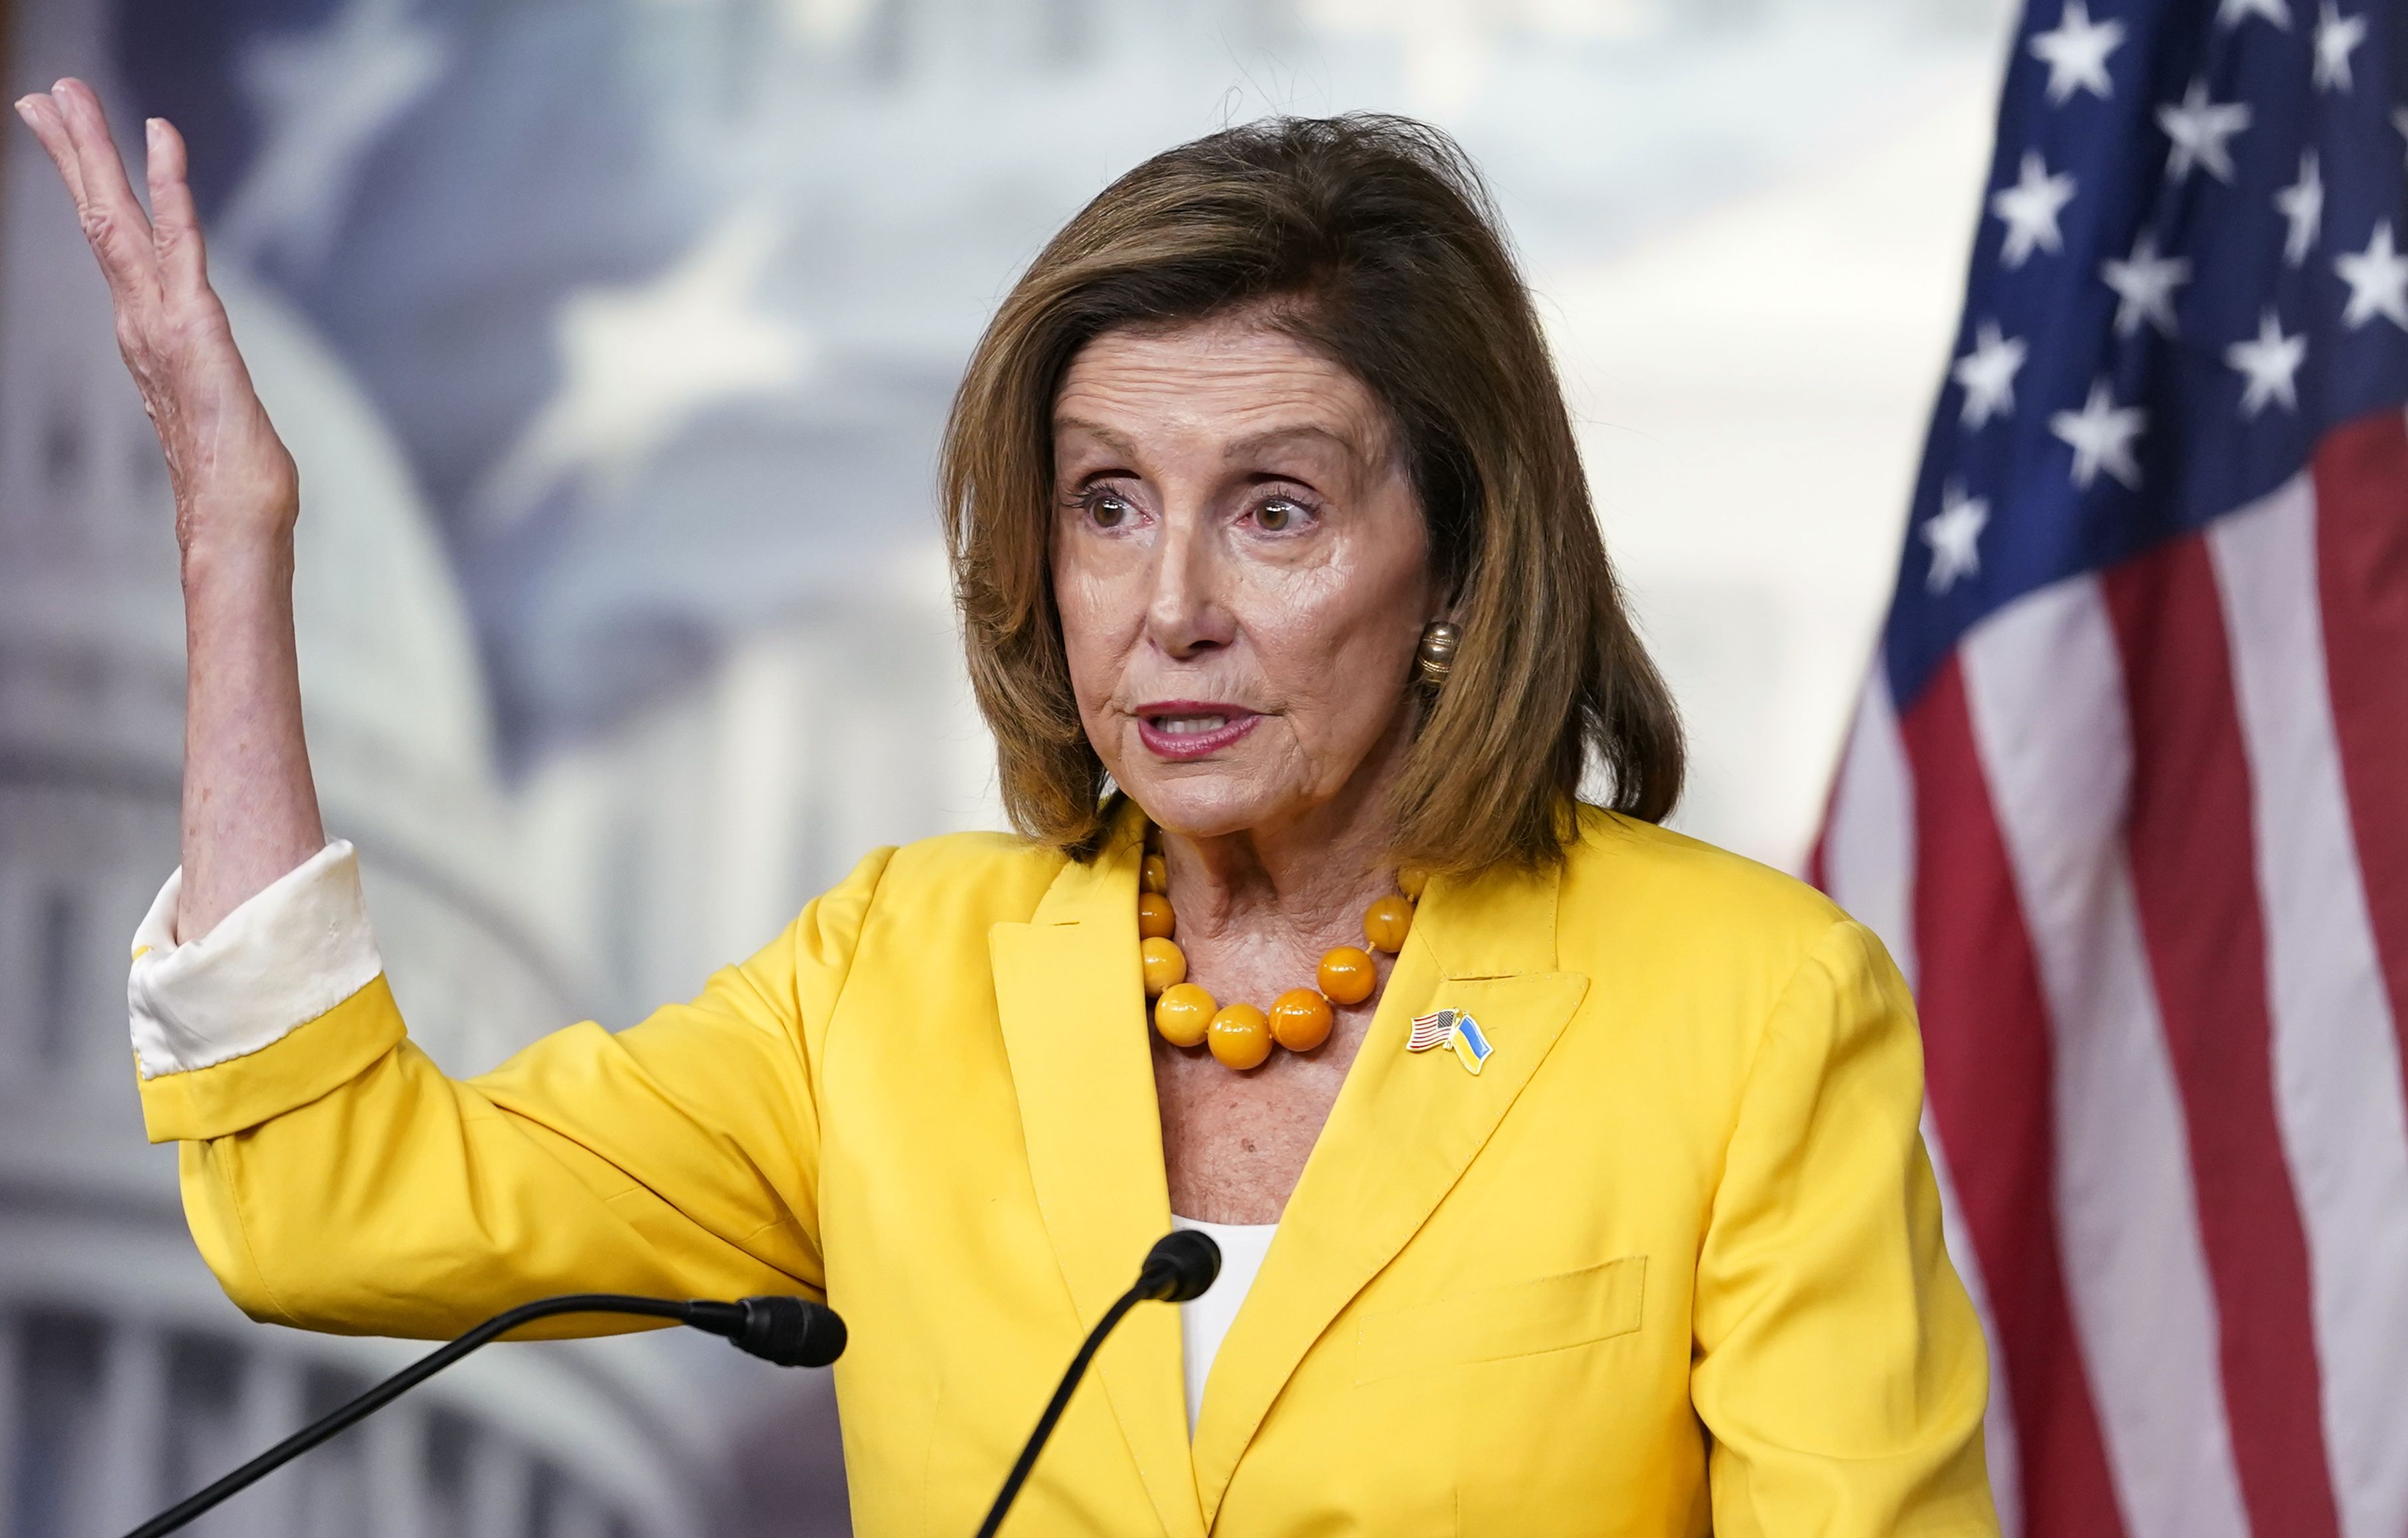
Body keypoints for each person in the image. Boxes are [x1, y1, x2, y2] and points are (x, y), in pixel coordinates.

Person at [15, 78, 1997, 1536]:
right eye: (1107, 504)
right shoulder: (894, 977)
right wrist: (233, 542)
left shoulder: (1753, 1008)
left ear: (1463, 554)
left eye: (1278, 509)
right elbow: (322, 1203)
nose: (1176, 609)